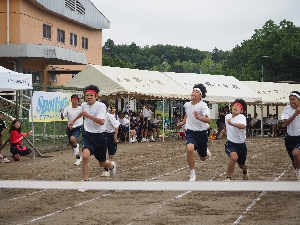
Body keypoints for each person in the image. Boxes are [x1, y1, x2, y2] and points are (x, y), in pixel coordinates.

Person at [69, 85, 116, 191]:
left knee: (102, 163)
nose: (89, 97)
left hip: (100, 136)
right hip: (88, 135)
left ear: (96, 96)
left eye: (91, 95)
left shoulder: (101, 106)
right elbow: (82, 113)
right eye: (87, 95)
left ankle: (111, 166)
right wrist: (73, 121)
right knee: (85, 157)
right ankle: (86, 183)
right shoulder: (84, 105)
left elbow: (101, 121)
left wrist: (88, 115)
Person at [177, 84, 211, 181]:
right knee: (190, 149)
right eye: (193, 91)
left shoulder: (203, 106)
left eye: (196, 92)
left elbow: (208, 120)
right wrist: (183, 122)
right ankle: (192, 173)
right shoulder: (187, 105)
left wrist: (199, 117)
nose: (194, 93)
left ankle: (206, 153)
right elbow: (187, 115)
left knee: (203, 158)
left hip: (202, 133)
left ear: (201, 95)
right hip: (190, 131)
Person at [221, 99, 250, 181]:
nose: (236, 107)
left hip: (241, 145)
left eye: (238, 107)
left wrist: (232, 124)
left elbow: (242, 126)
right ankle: (228, 178)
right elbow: (227, 126)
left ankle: (245, 170)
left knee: (242, 165)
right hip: (230, 143)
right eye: (235, 105)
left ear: (241, 110)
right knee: (233, 157)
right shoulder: (227, 117)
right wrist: (224, 131)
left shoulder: (242, 117)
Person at [281, 91, 300, 181]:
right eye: (290, 100)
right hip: (290, 137)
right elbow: (285, 123)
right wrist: (295, 114)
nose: (292, 102)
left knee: (295, 153)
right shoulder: (287, 109)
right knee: (293, 161)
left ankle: (299, 172)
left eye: (294, 99)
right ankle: (298, 171)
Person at [60, 94, 83, 166]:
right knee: (72, 145)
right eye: (73, 99)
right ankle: (78, 158)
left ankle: (77, 145)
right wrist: (61, 113)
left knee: (72, 139)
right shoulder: (68, 108)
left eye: (76, 99)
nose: (75, 101)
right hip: (70, 127)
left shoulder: (80, 108)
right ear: (71, 100)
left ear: (78, 100)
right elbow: (62, 117)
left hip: (78, 127)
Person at [101, 101, 120, 177]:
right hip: (102, 134)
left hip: (110, 135)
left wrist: (115, 136)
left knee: (111, 155)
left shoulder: (109, 116)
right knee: (103, 152)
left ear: (106, 107)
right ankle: (106, 170)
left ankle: (111, 165)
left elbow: (116, 126)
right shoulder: (99, 116)